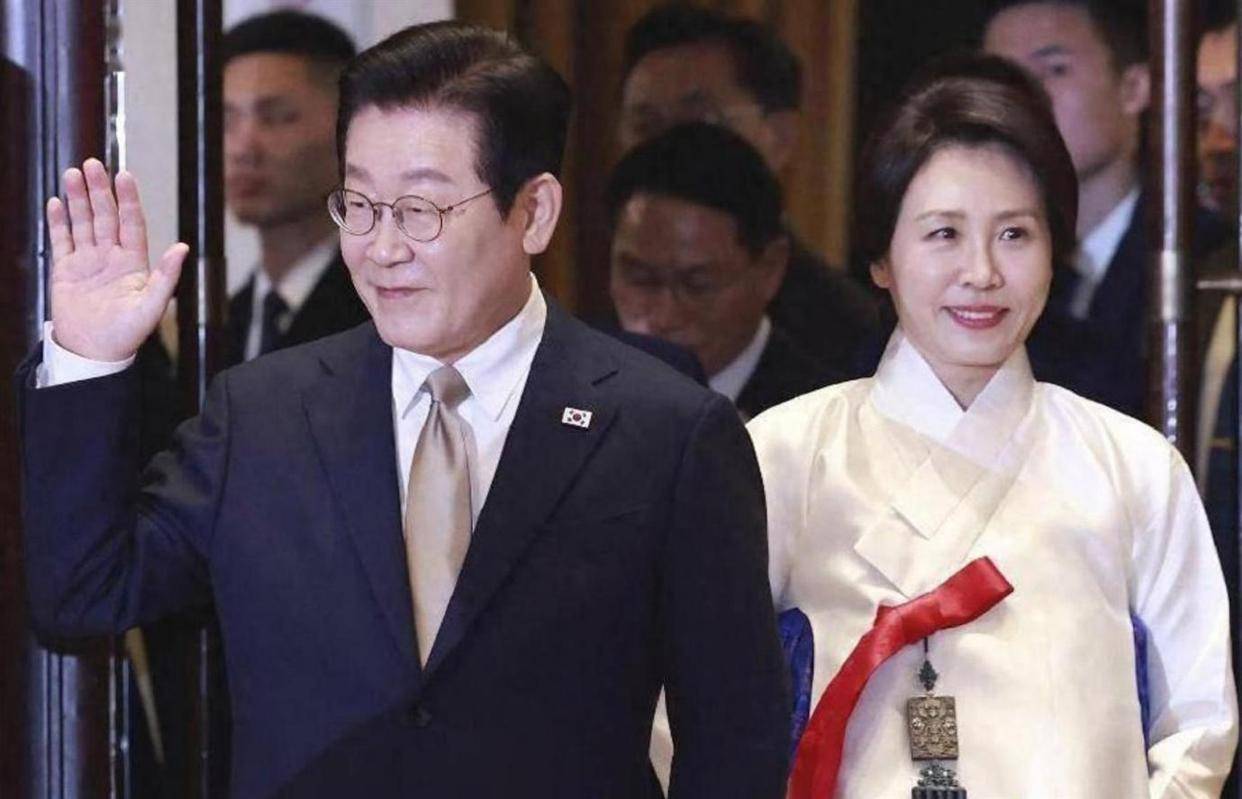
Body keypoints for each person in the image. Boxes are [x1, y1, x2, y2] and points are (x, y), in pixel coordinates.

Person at [19, 22, 790, 799]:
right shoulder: (263, 415)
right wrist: (89, 357)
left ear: (534, 211)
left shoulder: (665, 430)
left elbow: (734, 741)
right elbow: (84, 593)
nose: (381, 247)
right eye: (359, 204)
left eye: (420, 209)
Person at [751, 55, 1236, 796]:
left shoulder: (1133, 464)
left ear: (1055, 252)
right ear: (880, 259)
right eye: (943, 234)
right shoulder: (786, 452)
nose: (981, 272)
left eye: (1015, 235)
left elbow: (1197, 727)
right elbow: (688, 707)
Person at [983, 0, 1229, 418]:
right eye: (1002, 80)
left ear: (1134, 87)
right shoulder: (978, 264)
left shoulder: (1203, 256)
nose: (1023, 100)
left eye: (1055, 70)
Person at [618, 2, 877, 377]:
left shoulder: (848, 341)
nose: (672, 148)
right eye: (646, 125)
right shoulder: (583, 325)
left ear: (781, 137)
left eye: (699, 123)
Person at [608, 123, 842, 419]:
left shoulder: (825, 420)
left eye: (697, 285)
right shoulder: (573, 386)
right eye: (641, 279)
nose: (664, 317)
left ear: (770, 269)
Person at [223, 10, 369, 365]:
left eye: (276, 117)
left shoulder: (378, 307)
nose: (242, 148)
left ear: (346, 127)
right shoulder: (223, 323)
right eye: (227, 121)